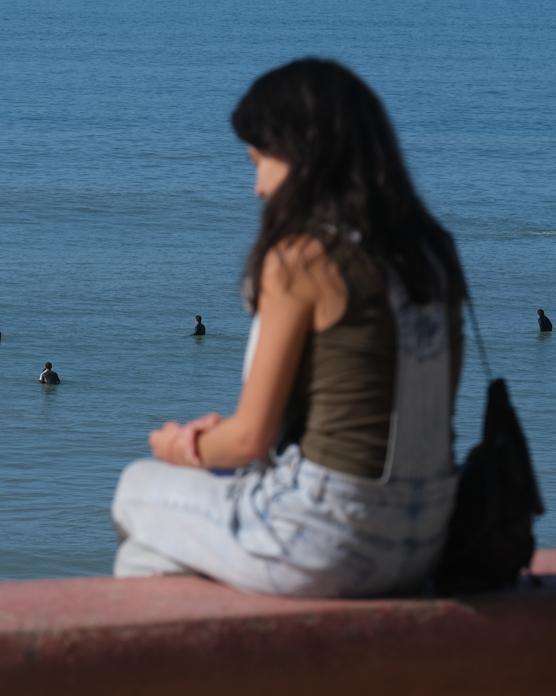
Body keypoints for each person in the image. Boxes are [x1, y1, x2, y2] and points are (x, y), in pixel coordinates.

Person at [111, 58, 468, 598]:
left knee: (136, 491)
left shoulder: (301, 258)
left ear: (302, 157)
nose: (257, 187)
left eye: (259, 161)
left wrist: (180, 445)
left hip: (330, 535)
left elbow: (252, 439)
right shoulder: (433, 254)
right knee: (157, 547)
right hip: (431, 535)